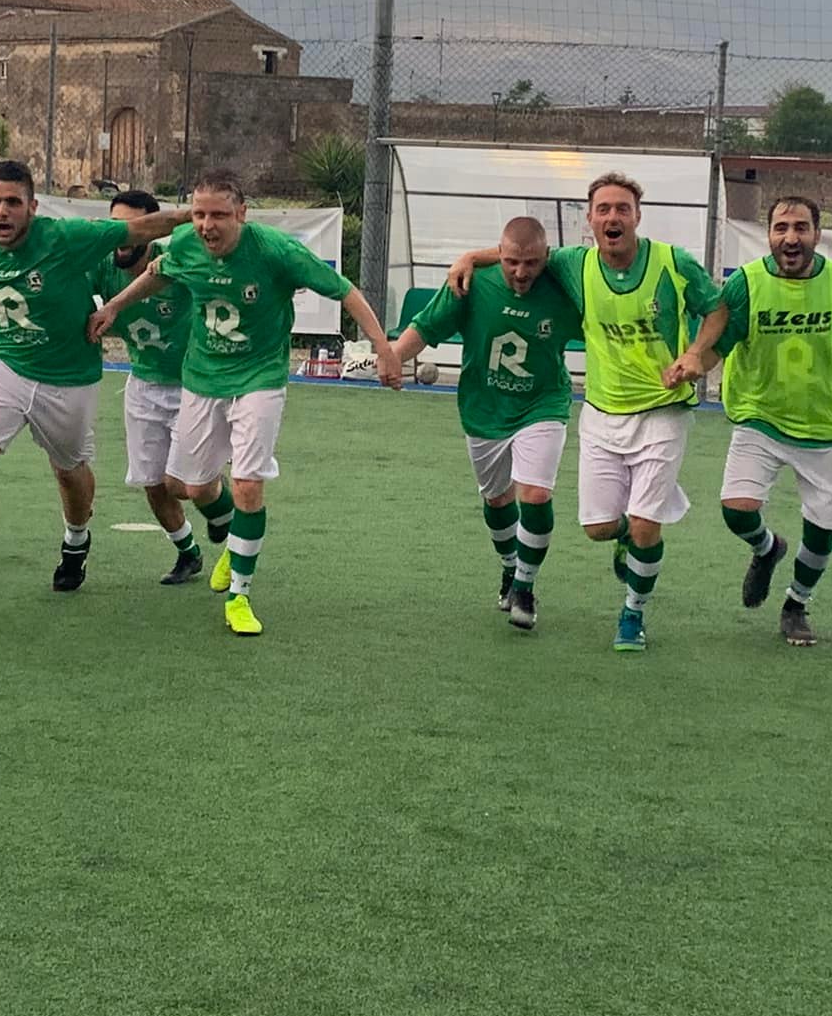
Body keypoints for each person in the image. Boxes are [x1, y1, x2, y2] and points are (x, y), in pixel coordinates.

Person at [88, 166, 403, 637]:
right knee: (187, 487)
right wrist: (113, 307)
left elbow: (346, 292)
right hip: (202, 378)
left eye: (218, 215)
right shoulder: (184, 247)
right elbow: (157, 276)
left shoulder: (276, 251)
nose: (206, 225)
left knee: (250, 484)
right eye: (198, 214)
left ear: (242, 213)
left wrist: (383, 347)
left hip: (260, 378)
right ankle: (233, 538)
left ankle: (240, 593)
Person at [447, 172, 726, 654]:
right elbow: (524, 253)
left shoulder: (673, 262)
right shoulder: (575, 264)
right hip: (601, 413)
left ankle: (632, 615)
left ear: (637, 216)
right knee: (599, 528)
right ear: (590, 220)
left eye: (622, 208)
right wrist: (472, 257)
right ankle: (626, 537)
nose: (612, 217)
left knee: (644, 525)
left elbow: (719, 309)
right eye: (603, 209)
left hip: (664, 411)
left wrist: (698, 353)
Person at [0, 159, 189, 614]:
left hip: (68, 376)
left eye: (13, 202)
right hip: (7, 363)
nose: (2, 212)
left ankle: (76, 540)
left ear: (32, 206)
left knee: (69, 471)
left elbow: (145, 227)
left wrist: (203, 213)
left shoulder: (68, 238)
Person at [697, 195, 832, 647]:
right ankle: (766, 548)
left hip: (825, 425)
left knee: (821, 528)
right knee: (736, 510)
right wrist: (694, 363)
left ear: (817, 234)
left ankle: (796, 604)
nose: (790, 237)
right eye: (780, 228)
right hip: (760, 416)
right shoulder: (747, 283)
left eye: (800, 228)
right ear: (769, 234)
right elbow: (721, 340)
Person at [391, 214, 582, 632]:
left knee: (534, 494)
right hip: (484, 408)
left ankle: (526, 588)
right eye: (512, 261)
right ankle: (510, 566)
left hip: (543, 404)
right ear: (499, 254)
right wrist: (391, 359)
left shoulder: (565, 287)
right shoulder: (473, 283)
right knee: (497, 500)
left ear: (546, 257)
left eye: (531, 263)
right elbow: (425, 327)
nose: (521, 271)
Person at [93, 187, 231, 586]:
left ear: (152, 233)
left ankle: (228, 518)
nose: (123, 237)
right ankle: (188, 552)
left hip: (193, 385)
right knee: (152, 483)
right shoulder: (102, 264)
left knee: (184, 485)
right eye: (115, 227)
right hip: (143, 383)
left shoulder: (179, 262)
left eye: (133, 228)